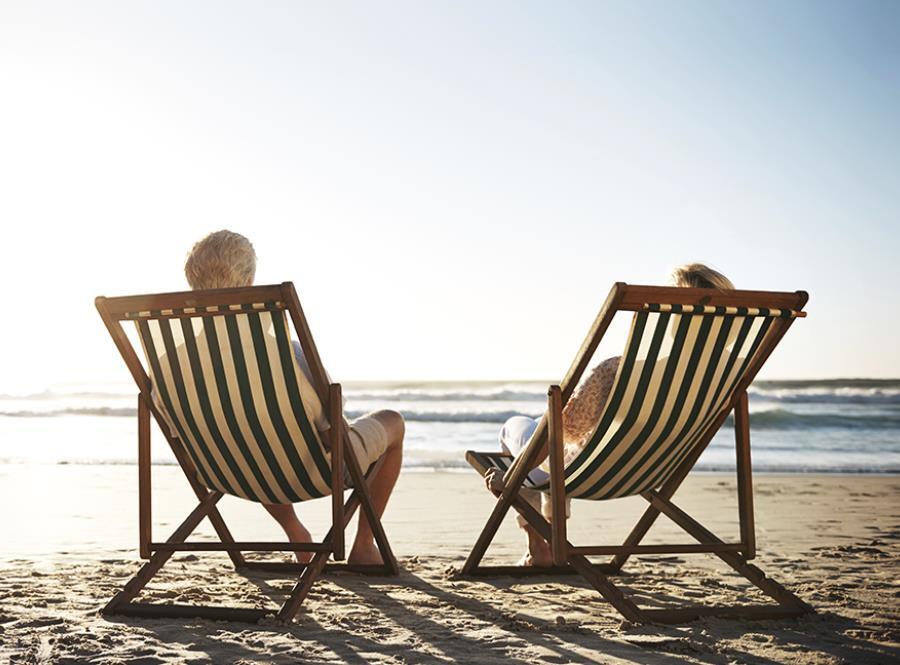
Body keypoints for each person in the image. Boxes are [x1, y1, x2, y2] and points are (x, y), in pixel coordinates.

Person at [487, 263, 734, 566]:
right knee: (546, 434)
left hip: (578, 472)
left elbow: (567, 430)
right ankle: (547, 543)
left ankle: (539, 545)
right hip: (648, 470)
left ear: (672, 318)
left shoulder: (620, 371)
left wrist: (509, 479)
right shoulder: (729, 377)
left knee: (516, 427)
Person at [184, 230, 404, 565]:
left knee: (251, 442)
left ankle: (296, 534)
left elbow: (178, 429)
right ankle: (363, 546)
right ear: (248, 280)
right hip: (309, 472)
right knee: (393, 423)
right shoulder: (287, 357)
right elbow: (332, 432)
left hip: (228, 473)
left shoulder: (172, 363)